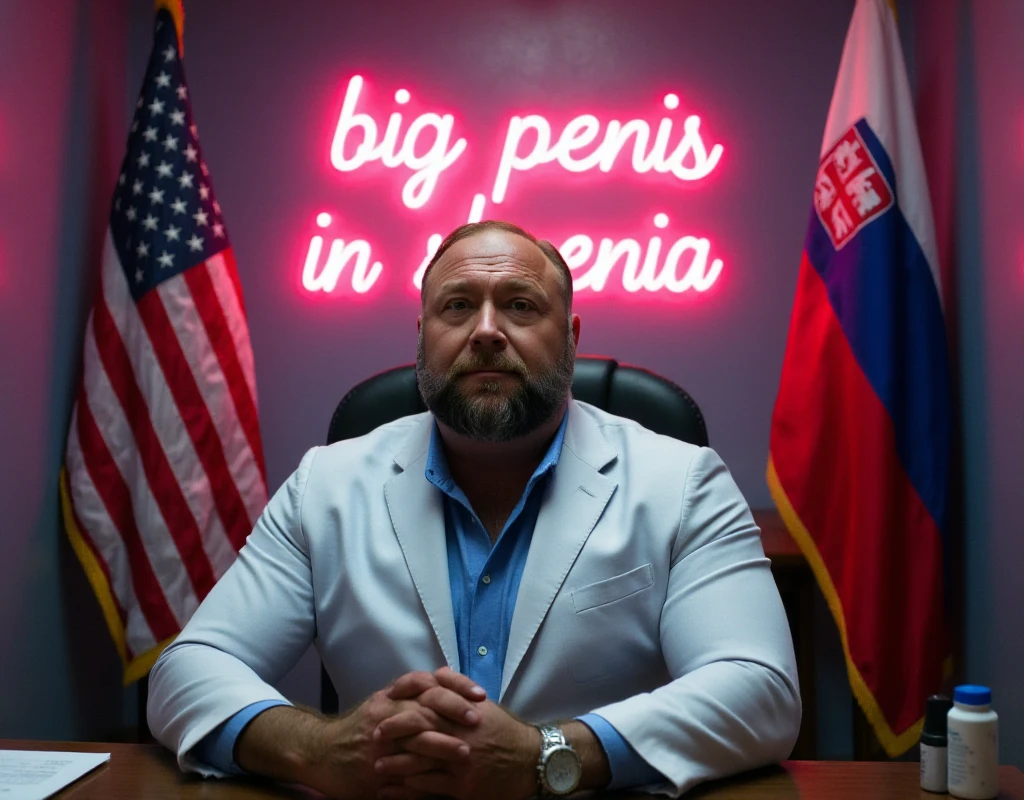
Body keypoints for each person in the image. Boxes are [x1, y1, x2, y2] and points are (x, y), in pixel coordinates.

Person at [148, 220, 801, 799]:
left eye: (519, 306)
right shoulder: (328, 483)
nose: (486, 332)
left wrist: (550, 756)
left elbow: (759, 691)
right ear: (422, 338)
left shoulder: (682, 482)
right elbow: (187, 672)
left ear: (570, 338)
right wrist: (319, 751)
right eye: (457, 307)